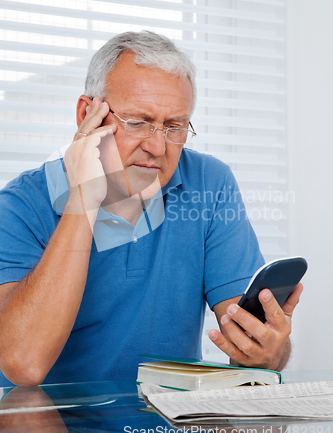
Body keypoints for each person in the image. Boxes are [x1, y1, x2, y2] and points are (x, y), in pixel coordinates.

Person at [0, 31, 302, 387]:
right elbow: (23, 365)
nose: (158, 147)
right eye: (138, 122)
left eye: (174, 126)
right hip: (56, 427)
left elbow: (247, 343)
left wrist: (268, 352)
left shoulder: (209, 182)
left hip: (168, 423)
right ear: (88, 114)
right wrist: (84, 199)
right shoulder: (19, 205)